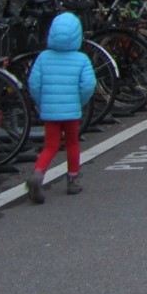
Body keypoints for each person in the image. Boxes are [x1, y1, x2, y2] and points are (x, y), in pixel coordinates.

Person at [25, 13, 96, 203]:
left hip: (50, 111)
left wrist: (42, 103)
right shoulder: (81, 59)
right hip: (72, 111)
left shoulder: (43, 58)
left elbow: (34, 83)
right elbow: (88, 85)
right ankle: (73, 179)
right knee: (72, 143)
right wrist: (79, 102)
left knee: (50, 146)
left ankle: (38, 173)